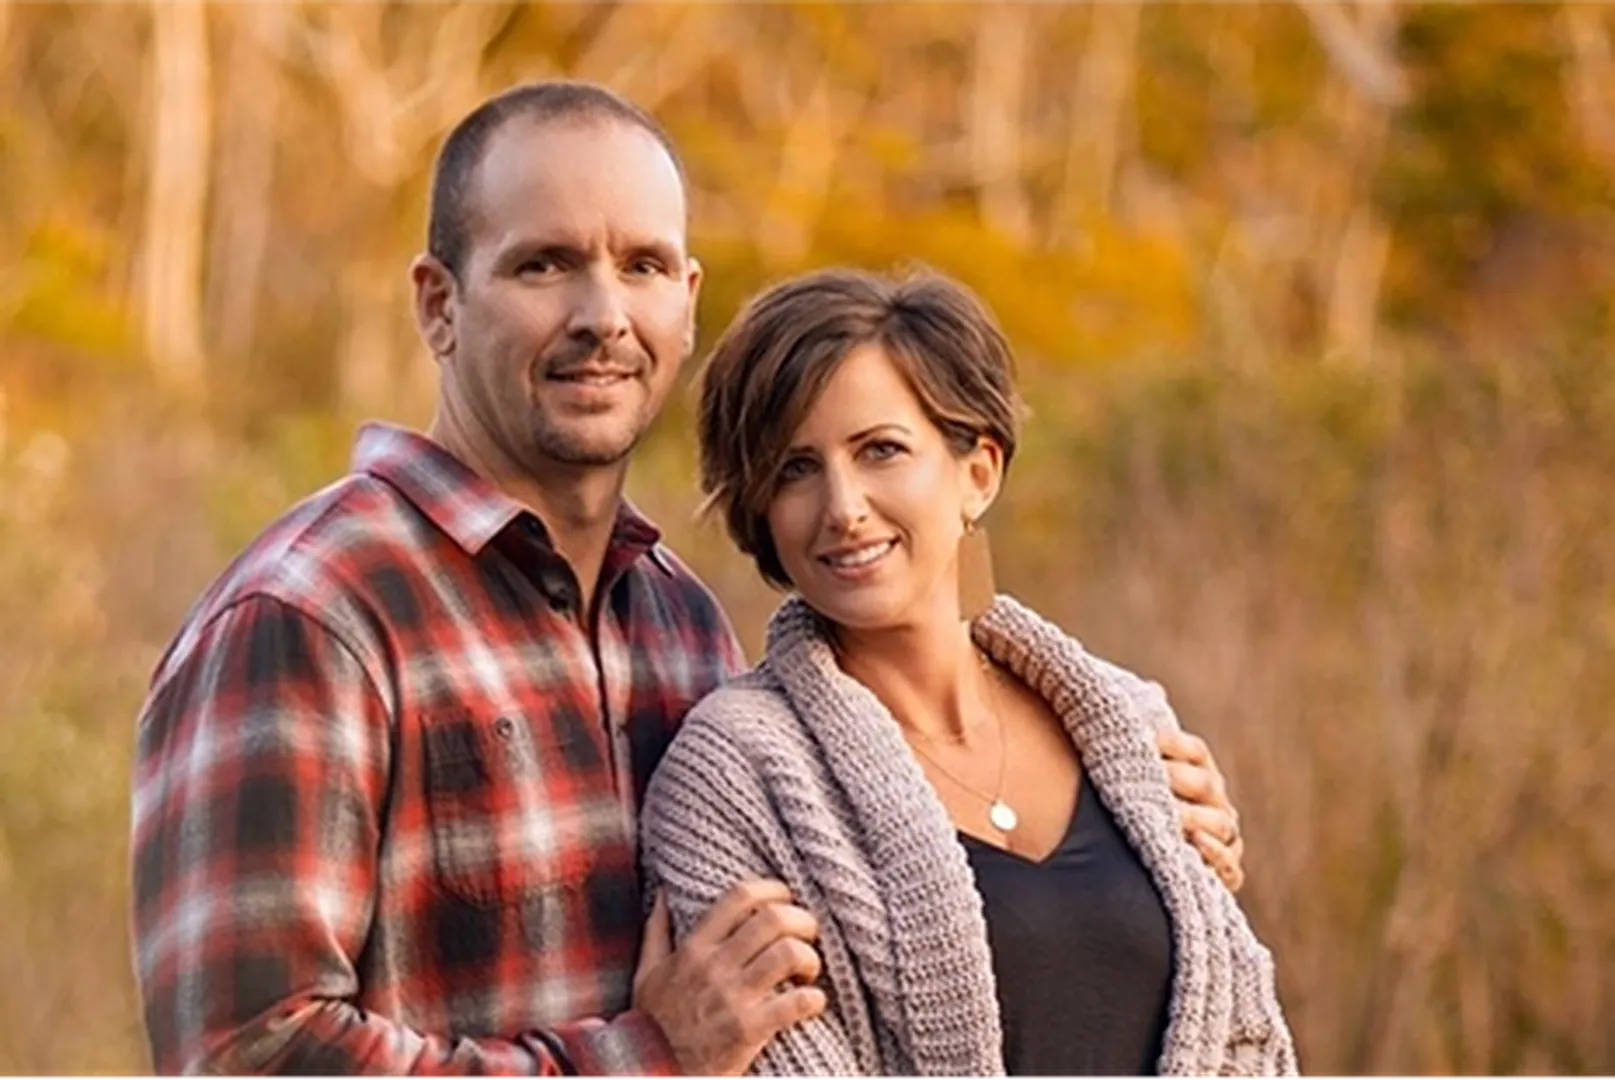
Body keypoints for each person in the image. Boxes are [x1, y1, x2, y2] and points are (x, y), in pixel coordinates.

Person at [130, 81, 1249, 1080]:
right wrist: (644, 1059)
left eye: (643, 266)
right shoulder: (312, 614)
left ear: (687, 301)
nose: (601, 316)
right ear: (437, 302)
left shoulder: (675, 622)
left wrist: (1135, 810)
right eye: (543, 263)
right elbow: (249, 1054)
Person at [641, 267, 1299, 1079]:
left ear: (976, 473)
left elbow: (1238, 1028)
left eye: (880, 450)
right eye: (793, 469)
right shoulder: (733, 775)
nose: (842, 506)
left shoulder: (1132, 725)